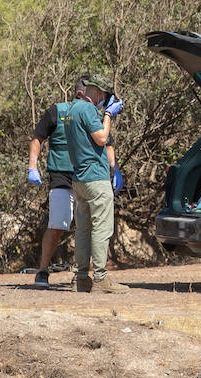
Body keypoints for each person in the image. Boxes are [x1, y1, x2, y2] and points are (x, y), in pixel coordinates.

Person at [64, 72, 128, 293]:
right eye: (102, 94)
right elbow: (102, 138)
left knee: (82, 229)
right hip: (95, 178)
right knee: (102, 227)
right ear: (94, 92)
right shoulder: (88, 109)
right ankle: (100, 279)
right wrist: (108, 115)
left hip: (79, 179)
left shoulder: (71, 110)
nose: (103, 98)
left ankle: (81, 278)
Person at [26, 96, 78, 289]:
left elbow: (107, 142)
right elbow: (37, 137)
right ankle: (42, 271)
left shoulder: (95, 114)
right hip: (60, 175)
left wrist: (114, 170)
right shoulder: (56, 111)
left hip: (87, 177)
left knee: (87, 226)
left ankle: (81, 274)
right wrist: (33, 166)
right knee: (57, 224)